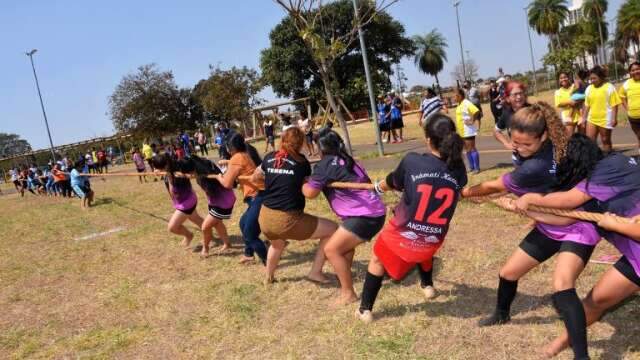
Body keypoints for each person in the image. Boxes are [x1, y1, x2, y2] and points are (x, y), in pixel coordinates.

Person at [461, 102, 600, 349]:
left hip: (579, 226)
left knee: (562, 286)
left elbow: (494, 185)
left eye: (527, 144)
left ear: (543, 135)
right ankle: (501, 314)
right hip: (550, 223)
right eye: (515, 142)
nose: (520, 148)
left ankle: (581, 355)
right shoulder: (554, 144)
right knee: (508, 273)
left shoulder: (535, 166)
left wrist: (466, 192)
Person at [514, 133, 640, 359]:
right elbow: (568, 217)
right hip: (636, 260)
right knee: (596, 300)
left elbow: (568, 201)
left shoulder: (608, 168)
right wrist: (528, 210)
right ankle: (563, 342)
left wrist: (532, 198)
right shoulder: (600, 185)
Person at [355, 114, 467, 323]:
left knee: (377, 259)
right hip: (433, 240)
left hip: (402, 236)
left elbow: (393, 181)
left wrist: (379, 187)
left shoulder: (412, 161)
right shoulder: (459, 168)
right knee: (424, 237)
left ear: (428, 140)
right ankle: (428, 286)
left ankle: (365, 309)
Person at [302, 129, 386, 305]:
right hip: (375, 212)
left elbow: (310, 193)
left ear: (321, 147)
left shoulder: (325, 165)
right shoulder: (349, 160)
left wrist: (302, 183)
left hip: (364, 216)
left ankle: (348, 293)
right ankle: (345, 277)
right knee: (344, 248)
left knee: (332, 250)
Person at [253, 127, 338, 284]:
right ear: (300, 143)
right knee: (332, 229)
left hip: (265, 217)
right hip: (287, 220)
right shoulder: (301, 162)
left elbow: (254, 178)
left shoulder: (269, 157)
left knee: (277, 245)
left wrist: (270, 184)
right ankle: (315, 272)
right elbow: (309, 190)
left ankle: (268, 278)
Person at [214, 133, 268, 265]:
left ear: (230, 147)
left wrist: (218, 177)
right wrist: (227, 162)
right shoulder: (246, 153)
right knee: (243, 224)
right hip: (258, 195)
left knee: (250, 232)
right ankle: (249, 255)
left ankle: (268, 260)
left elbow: (227, 183)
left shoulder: (236, 158)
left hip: (258, 196)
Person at [151, 154, 204, 248]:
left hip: (187, 202)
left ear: (165, 165)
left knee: (172, 227)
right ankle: (209, 231)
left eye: (159, 168)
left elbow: (191, 166)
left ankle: (189, 235)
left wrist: (187, 174)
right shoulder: (169, 170)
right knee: (194, 218)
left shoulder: (178, 169)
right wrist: (159, 171)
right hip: (183, 200)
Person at [190, 156, 235, 258]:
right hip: (215, 201)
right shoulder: (201, 172)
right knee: (217, 223)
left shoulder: (208, 173)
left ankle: (205, 248)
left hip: (223, 202)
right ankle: (227, 243)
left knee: (205, 227)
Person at [583, 65, 621, 153]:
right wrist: (584, 118)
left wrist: (614, 118)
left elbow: (614, 104)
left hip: (605, 119)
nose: (592, 81)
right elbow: (587, 104)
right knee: (590, 141)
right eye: (590, 79)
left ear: (601, 77)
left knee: (605, 140)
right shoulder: (589, 88)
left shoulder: (609, 87)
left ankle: (609, 159)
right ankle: (593, 161)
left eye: (594, 78)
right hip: (592, 119)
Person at [494, 81, 531, 151]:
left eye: (521, 93)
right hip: (518, 158)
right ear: (508, 98)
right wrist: (506, 143)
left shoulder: (533, 111)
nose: (519, 97)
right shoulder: (506, 113)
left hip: (537, 157)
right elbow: (496, 131)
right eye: (515, 94)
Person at [454, 88, 481, 173]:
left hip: (468, 130)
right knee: (467, 149)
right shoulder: (459, 104)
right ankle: (471, 167)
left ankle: (477, 168)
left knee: (472, 148)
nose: (454, 98)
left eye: (455, 96)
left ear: (460, 96)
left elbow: (476, 111)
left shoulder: (466, 103)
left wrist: (472, 120)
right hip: (462, 131)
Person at [619, 61, 640, 155]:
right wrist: (627, 108)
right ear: (630, 72)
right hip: (633, 117)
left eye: (637, 69)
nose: (636, 71)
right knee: (639, 136)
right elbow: (622, 96)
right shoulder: (626, 84)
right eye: (633, 70)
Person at [555, 72, 581, 137]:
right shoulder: (558, 92)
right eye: (561, 78)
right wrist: (570, 102)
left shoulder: (574, 87)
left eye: (565, 77)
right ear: (558, 80)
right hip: (567, 118)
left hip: (579, 115)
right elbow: (558, 103)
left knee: (583, 139)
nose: (563, 79)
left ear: (568, 78)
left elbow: (580, 98)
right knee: (569, 139)